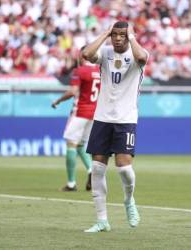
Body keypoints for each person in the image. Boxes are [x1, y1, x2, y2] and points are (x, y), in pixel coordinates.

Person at [82, 21, 149, 233]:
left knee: (124, 169)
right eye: (115, 35)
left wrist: (132, 36)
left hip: (126, 119)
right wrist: (104, 33)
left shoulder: (138, 52)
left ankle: (129, 201)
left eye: (122, 35)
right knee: (97, 169)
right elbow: (86, 54)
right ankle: (102, 220)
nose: (118, 38)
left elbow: (141, 58)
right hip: (102, 118)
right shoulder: (105, 53)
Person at [51, 46, 100, 191]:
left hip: (80, 112)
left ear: (83, 55)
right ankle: (91, 170)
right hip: (94, 113)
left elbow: (73, 91)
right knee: (80, 145)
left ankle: (71, 183)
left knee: (71, 144)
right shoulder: (100, 71)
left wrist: (58, 101)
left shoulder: (80, 71)